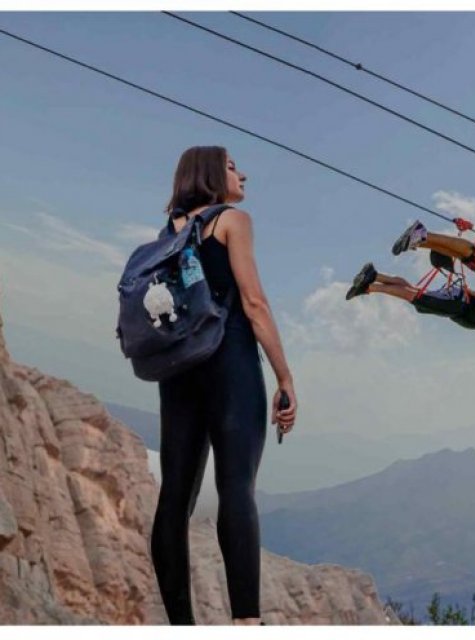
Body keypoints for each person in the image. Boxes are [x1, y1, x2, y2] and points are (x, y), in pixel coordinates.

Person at [150, 146, 297, 626]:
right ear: (213, 173)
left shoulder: (167, 232)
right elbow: (253, 304)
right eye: (234, 166)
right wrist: (284, 376)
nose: (242, 174)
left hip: (178, 369)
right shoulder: (232, 220)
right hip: (228, 361)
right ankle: (246, 623)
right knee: (236, 488)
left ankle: (182, 625)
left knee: (175, 495)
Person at [346, 262, 475, 340]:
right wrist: (471, 292)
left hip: (455, 304)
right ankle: (369, 287)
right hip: (457, 304)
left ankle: (375, 275)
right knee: (414, 297)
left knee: (414, 291)